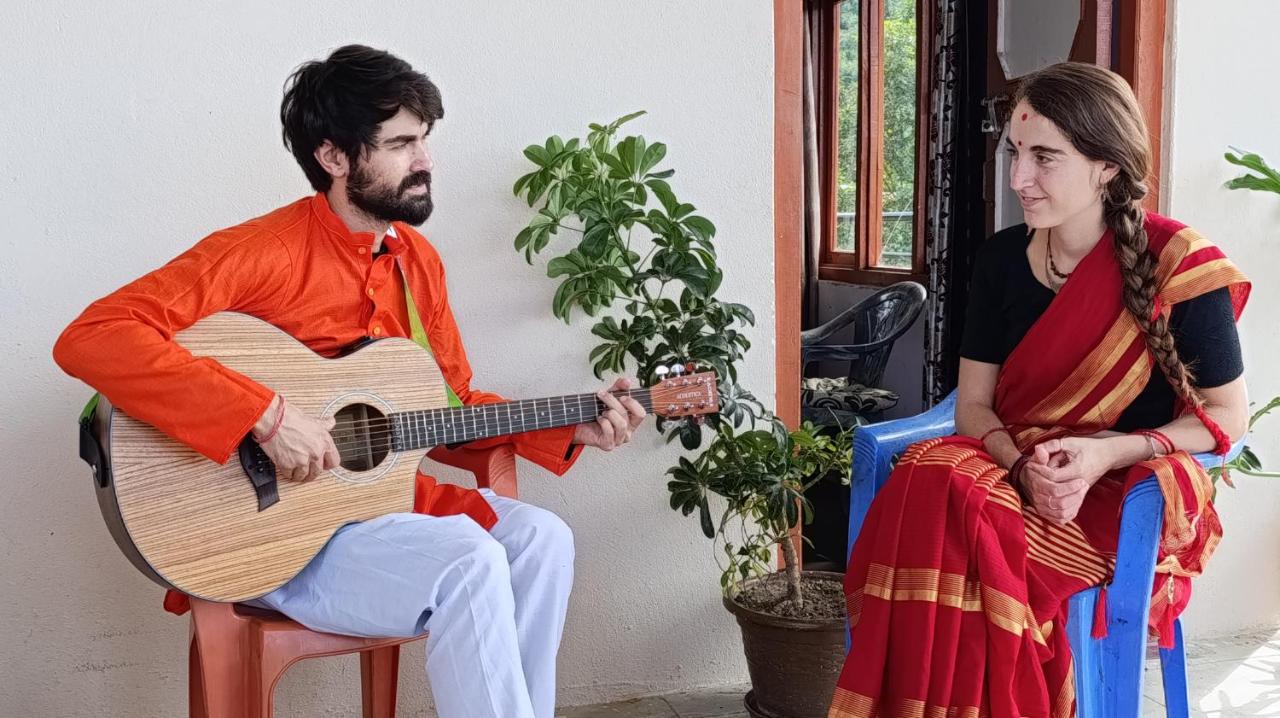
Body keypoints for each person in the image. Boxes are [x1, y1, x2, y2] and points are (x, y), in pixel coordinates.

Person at [52, 44, 647, 718]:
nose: (425, 160)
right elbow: (92, 336)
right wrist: (265, 417)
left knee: (543, 540)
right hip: (270, 536)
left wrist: (572, 428)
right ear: (334, 157)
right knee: (470, 558)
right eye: (400, 144)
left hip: (382, 513)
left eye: (424, 139)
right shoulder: (263, 253)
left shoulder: (417, 262)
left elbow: (449, 407)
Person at [828, 62, 1250, 717]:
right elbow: (973, 405)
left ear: (1107, 166)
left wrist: (1105, 452)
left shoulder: (1179, 265)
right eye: (1015, 153)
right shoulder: (1001, 261)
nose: (1018, 178)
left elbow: (1227, 416)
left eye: (1044, 157)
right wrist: (1022, 465)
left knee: (959, 517)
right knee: (932, 479)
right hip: (1010, 463)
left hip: (1114, 490)